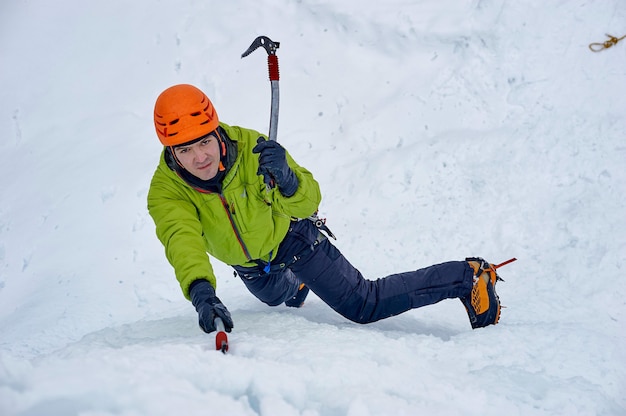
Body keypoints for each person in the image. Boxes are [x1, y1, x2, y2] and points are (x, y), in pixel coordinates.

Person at [147, 83, 505, 335]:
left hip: (293, 238)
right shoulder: (166, 191)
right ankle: (298, 284)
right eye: (185, 150)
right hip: (249, 263)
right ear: (170, 152)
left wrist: (287, 180)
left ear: (216, 130)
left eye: (205, 142)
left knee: (365, 304)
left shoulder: (253, 148)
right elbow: (183, 240)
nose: (200, 157)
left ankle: (467, 276)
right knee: (275, 297)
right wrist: (202, 294)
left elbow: (309, 200)